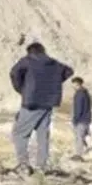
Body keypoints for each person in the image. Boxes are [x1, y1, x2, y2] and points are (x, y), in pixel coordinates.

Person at [8, 42, 74, 175]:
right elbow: (69, 71)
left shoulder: (27, 61)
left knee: (19, 133)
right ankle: (42, 167)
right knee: (42, 135)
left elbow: (14, 73)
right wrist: (52, 84)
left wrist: (22, 89)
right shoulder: (54, 63)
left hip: (31, 102)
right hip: (48, 103)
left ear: (30, 51)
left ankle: (23, 165)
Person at [71, 77, 92, 160]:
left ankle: (79, 155)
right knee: (83, 137)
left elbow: (78, 108)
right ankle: (87, 152)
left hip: (81, 120)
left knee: (79, 137)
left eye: (74, 84)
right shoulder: (86, 93)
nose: (73, 86)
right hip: (86, 119)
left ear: (78, 84)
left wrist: (75, 119)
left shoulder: (79, 94)